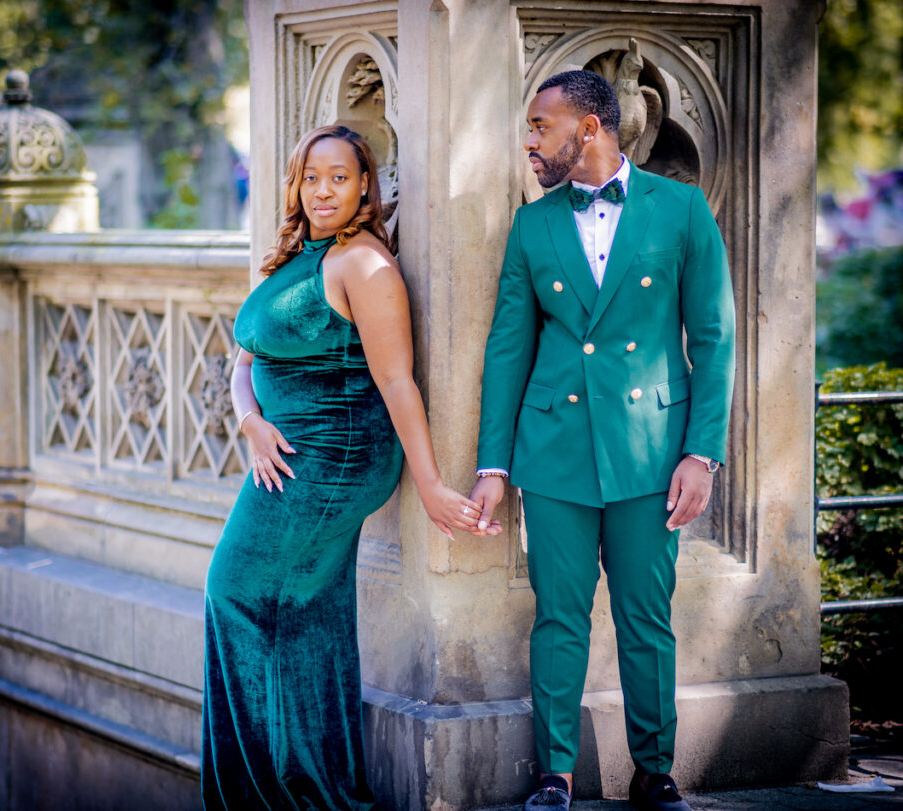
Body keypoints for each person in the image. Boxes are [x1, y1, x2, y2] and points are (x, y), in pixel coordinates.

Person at [469, 71, 735, 811]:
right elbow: (507, 348)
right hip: (553, 450)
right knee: (559, 612)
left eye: (539, 125)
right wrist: (494, 464)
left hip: (652, 448)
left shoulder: (680, 210)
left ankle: (655, 770)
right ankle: (553, 773)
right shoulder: (533, 224)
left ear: (588, 128)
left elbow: (715, 338)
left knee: (646, 614)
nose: (529, 140)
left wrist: (701, 451)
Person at [201, 124, 483, 810]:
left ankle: (266, 794)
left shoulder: (365, 264)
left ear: (366, 186)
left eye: (339, 177)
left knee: (233, 592)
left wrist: (430, 483)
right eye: (311, 177)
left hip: (335, 461)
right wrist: (249, 420)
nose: (323, 190)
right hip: (289, 452)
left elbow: (397, 383)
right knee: (306, 614)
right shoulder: (302, 254)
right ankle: (315, 788)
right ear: (296, 184)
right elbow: (243, 362)